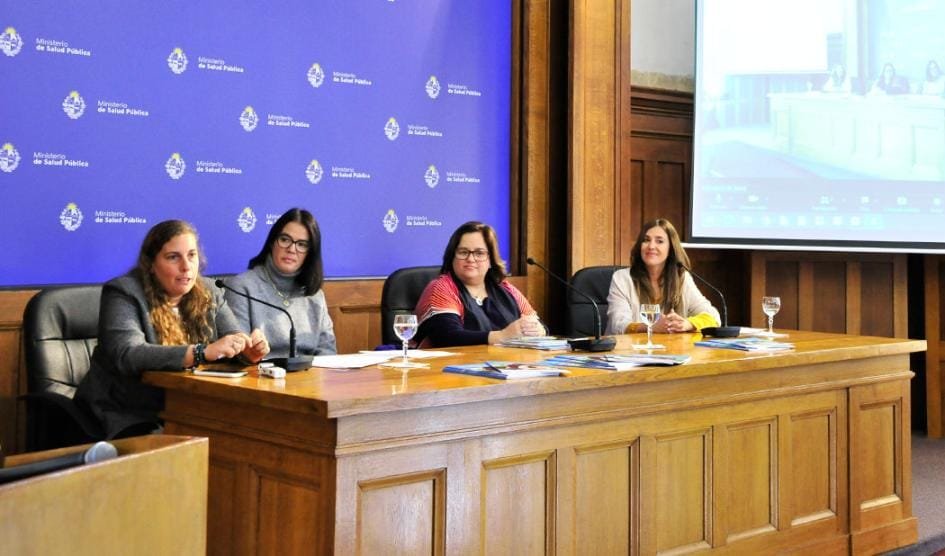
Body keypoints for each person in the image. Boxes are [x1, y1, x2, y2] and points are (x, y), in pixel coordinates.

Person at [76, 220, 269, 438]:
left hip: (187, 406)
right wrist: (201, 352)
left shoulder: (209, 291)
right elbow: (128, 354)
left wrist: (247, 351)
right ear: (151, 264)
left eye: (192, 255)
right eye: (173, 257)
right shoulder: (125, 292)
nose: (186, 266)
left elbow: (232, 336)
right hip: (127, 411)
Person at [225, 207, 337, 357]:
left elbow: (328, 353)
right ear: (272, 242)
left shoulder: (315, 295)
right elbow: (238, 352)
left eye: (302, 244)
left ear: (310, 253)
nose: (291, 249)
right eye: (285, 240)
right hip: (259, 370)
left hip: (310, 371)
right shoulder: (242, 287)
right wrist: (252, 352)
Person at [413, 221, 544, 347]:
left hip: (503, 360)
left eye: (479, 253)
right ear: (452, 257)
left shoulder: (507, 289)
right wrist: (502, 336)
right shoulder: (441, 287)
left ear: (491, 260)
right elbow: (447, 336)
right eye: (463, 252)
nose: (471, 259)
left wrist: (539, 330)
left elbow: (538, 324)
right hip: (451, 362)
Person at [606, 218, 721, 335]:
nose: (651, 246)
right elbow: (618, 324)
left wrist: (687, 324)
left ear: (671, 248)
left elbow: (714, 318)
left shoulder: (682, 278)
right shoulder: (622, 278)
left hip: (671, 346)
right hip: (629, 346)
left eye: (659, 241)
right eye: (646, 240)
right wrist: (650, 327)